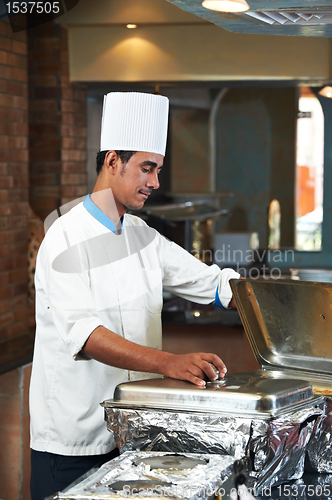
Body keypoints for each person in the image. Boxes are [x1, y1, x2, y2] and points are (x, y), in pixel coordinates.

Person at [29, 92, 240, 500]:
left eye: (158, 170)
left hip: (132, 439)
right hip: (74, 446)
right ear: (113, 162)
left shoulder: (144, 236)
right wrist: (171, 364)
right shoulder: (64, 237)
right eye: (147, 168)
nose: (155, 182)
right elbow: (87, 336)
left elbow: (213, 284)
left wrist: (285, 299)